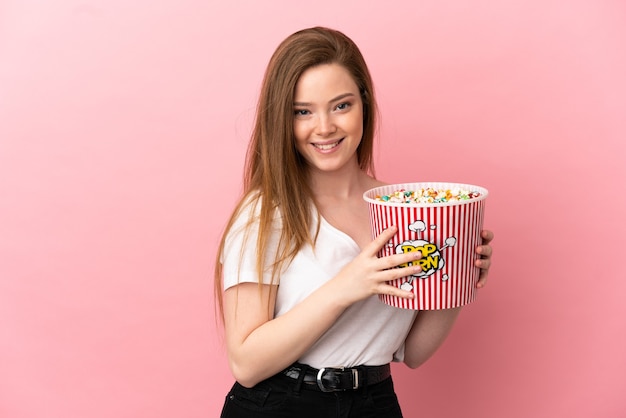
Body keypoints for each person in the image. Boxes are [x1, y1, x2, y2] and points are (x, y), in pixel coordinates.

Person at [214, 26, 494, 417]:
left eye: (341, 105)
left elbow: (411, 353)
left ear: (364, 104)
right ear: (282, 119)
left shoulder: (404, 210)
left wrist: (459, 278)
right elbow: (246, 364)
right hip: (280, 404)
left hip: (374, 401)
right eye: (303, 112)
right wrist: (347, 286)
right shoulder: (266, 212)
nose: (325, 127)